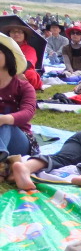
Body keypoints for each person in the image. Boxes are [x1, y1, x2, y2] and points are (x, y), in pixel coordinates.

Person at [0, 33, 39, 162]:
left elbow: (28, 112)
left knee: (5, 124)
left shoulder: (24, 87)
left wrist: (4, 119)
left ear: (8, 56)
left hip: (20, 139)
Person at [3, 24, 42, 90]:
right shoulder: (3, 47)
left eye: (19, 32)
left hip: (23, 71)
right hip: (6, 70)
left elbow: (29, 63)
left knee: (31, 74)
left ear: (24, 35)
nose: (16, 34)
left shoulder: (29, 49)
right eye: (13, 31)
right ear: (9, 34)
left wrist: (19, 73)